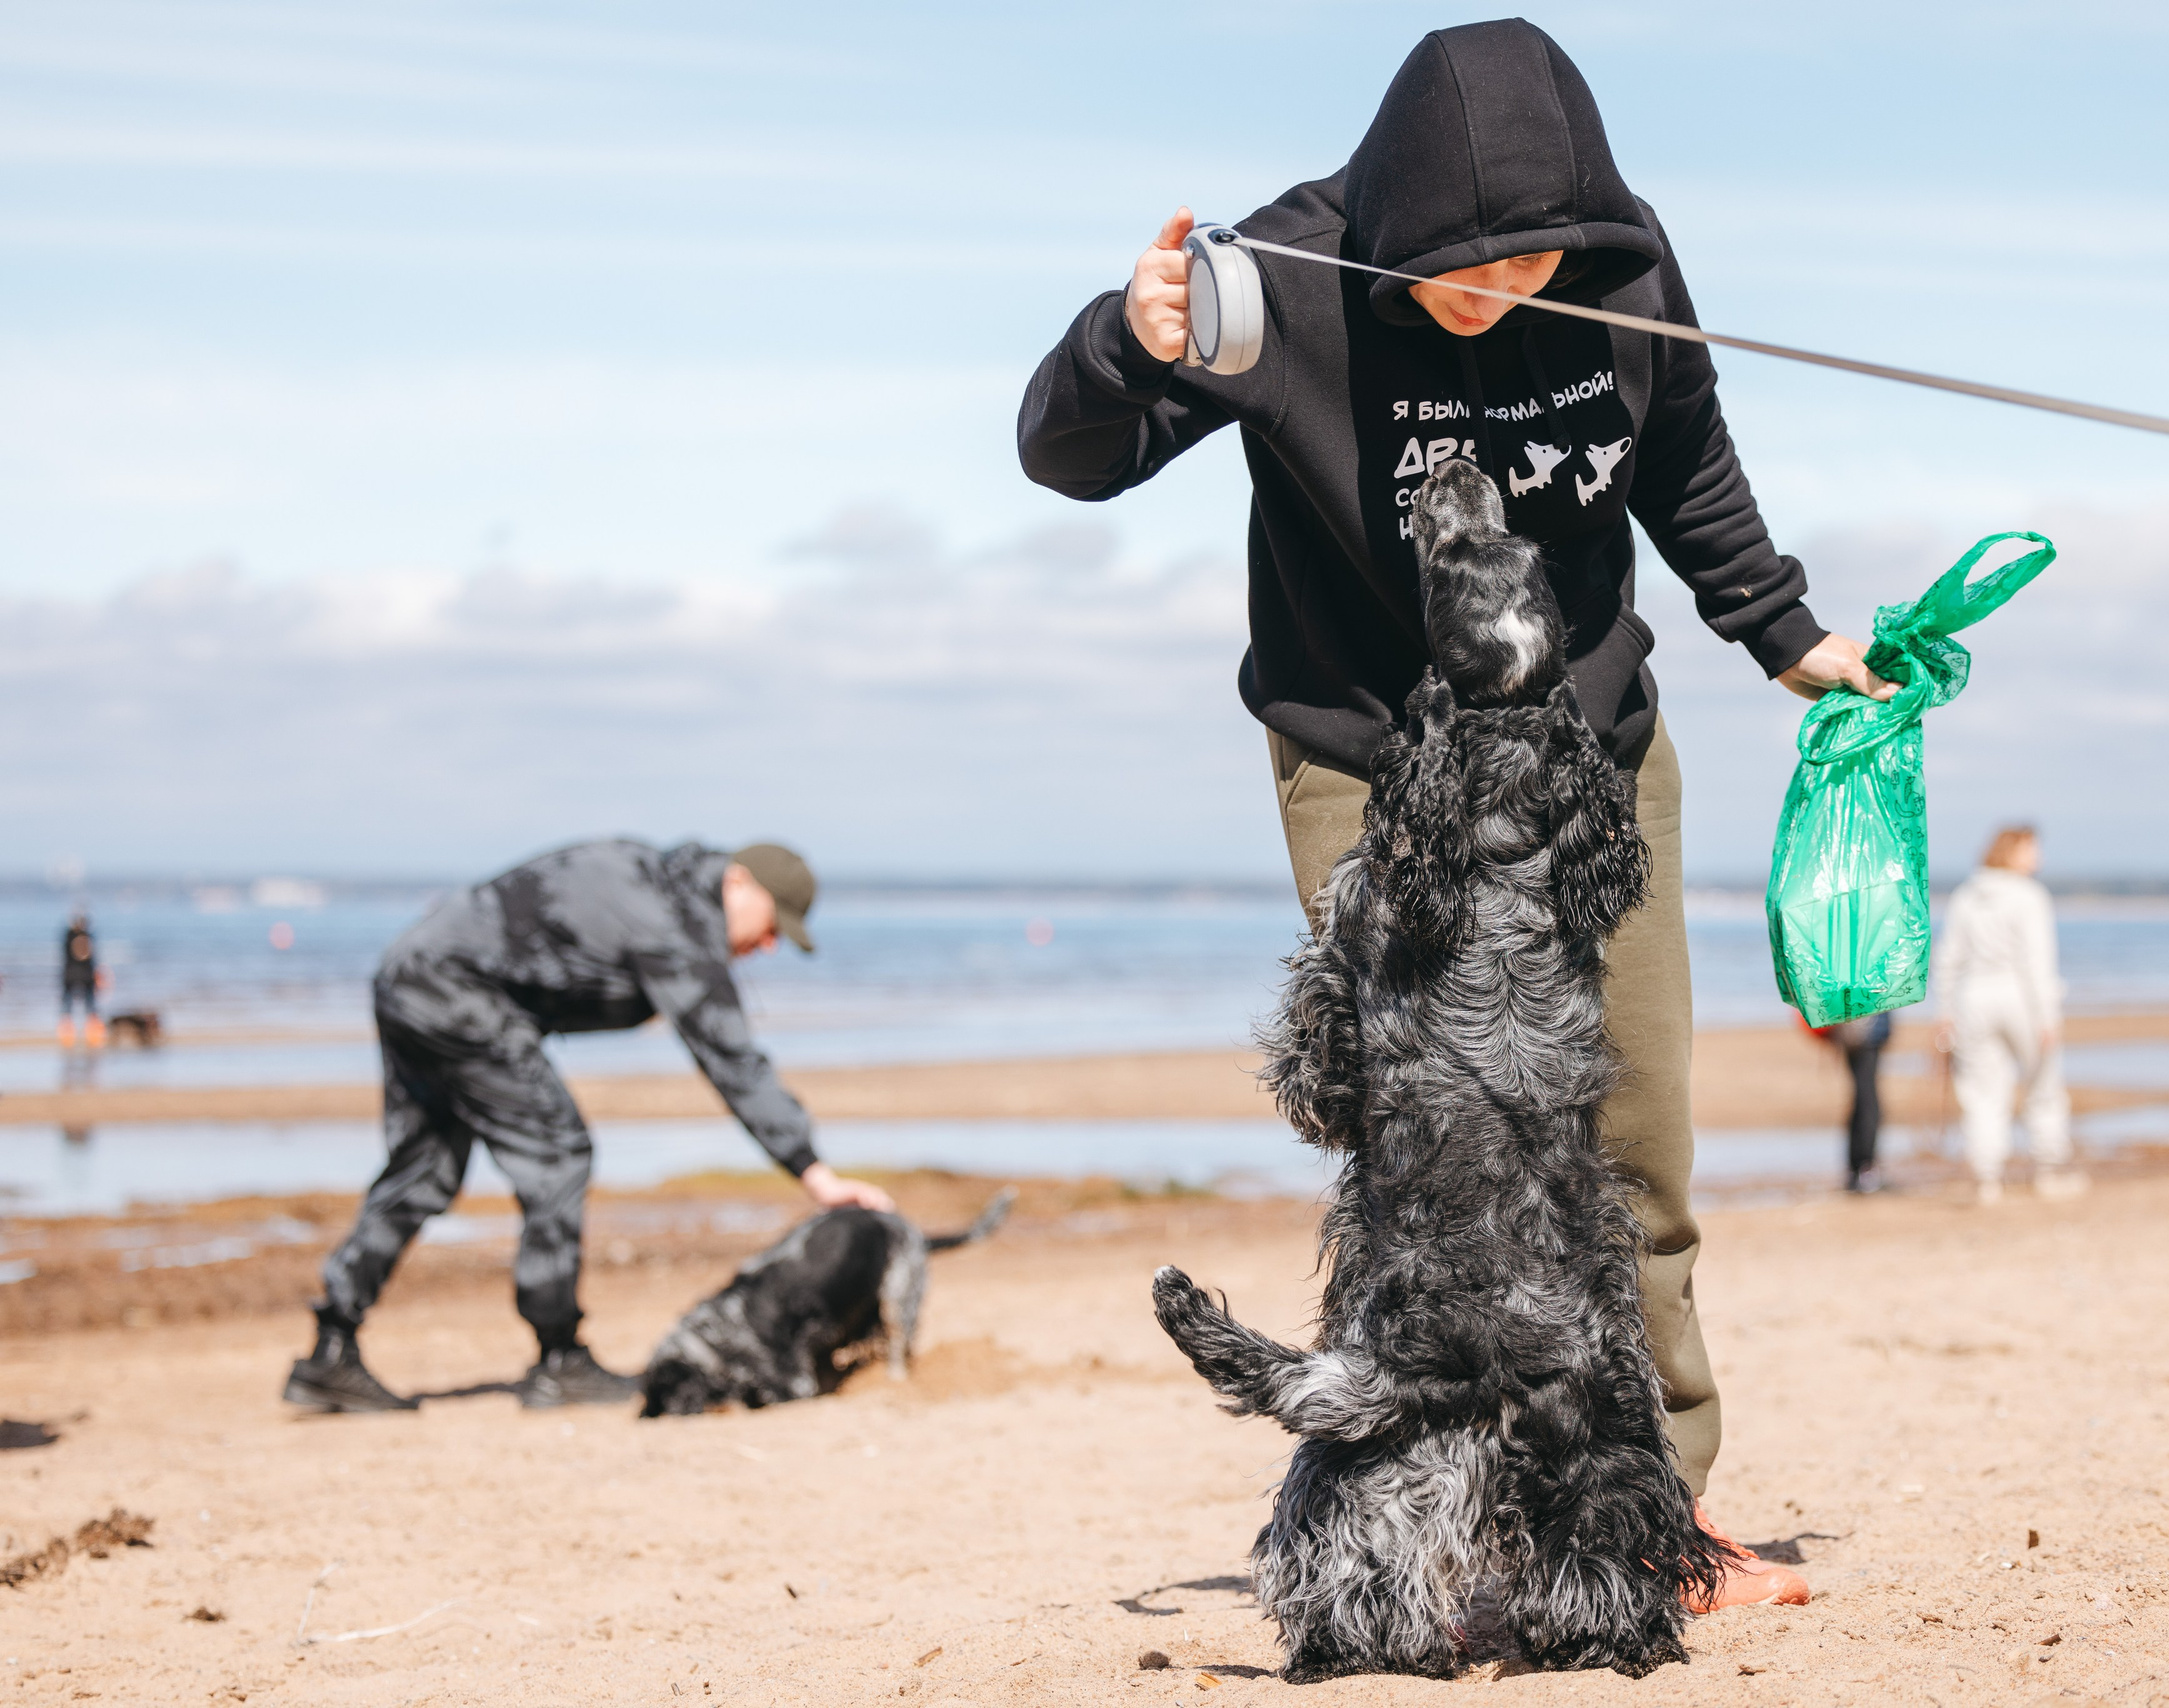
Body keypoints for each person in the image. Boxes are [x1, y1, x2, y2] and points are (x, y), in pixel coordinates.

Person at [1018, 20, 1897, 1609]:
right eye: (1460, 271)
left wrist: (1783, 631)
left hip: (1587, 754)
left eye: (1530, 263)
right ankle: (1426, 1511)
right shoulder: (1278, 278)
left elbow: (1684, 455)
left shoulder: (1625, 267)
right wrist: (1123, 345)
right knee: (1436, 1154)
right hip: (1368, 759)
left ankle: (1650, 1520)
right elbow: (1070, 461)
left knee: (1631, 1136)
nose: (1497, 292)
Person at [284, 840, 893, 1414]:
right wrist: (813, 1171)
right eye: (772, 924)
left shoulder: (657, 885)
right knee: (558, 1152)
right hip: (450, 989)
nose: (768, 945)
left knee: (426, 1169)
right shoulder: (673, 922)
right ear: (738, 882)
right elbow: (730, 1057)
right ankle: (559, 1359)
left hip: (409, 976)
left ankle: (331, 1346)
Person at [1937, 825, 2080, 1206]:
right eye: (2031, 849)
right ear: (2011, 851)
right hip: (2020, 999)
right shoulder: (2030, 896)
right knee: (2043, 1086)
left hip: (1973, 1000)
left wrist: (1946, 1010)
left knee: (1981, 1093)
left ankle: (1987, 1179)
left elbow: (1948, 958)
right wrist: (2047, 1017)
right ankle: (2048, 1171)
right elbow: (2037, 961)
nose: (2038, 858)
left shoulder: (1966, 896)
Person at [1815, 1010, 1896, 1193]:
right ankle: (1864, 1167)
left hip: (1852, 1029)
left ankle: (1856, 1168)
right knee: (1867, 1099)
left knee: (1861, 1096)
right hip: (1865, 1031)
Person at [59, 911, 104, 1051]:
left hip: (72, 974)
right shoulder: (86, 936)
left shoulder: (68, 936)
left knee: (70, 1007)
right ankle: (91, 1036)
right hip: (82, 974)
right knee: (88, 1006)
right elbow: (92, 958)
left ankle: (68, 1037)